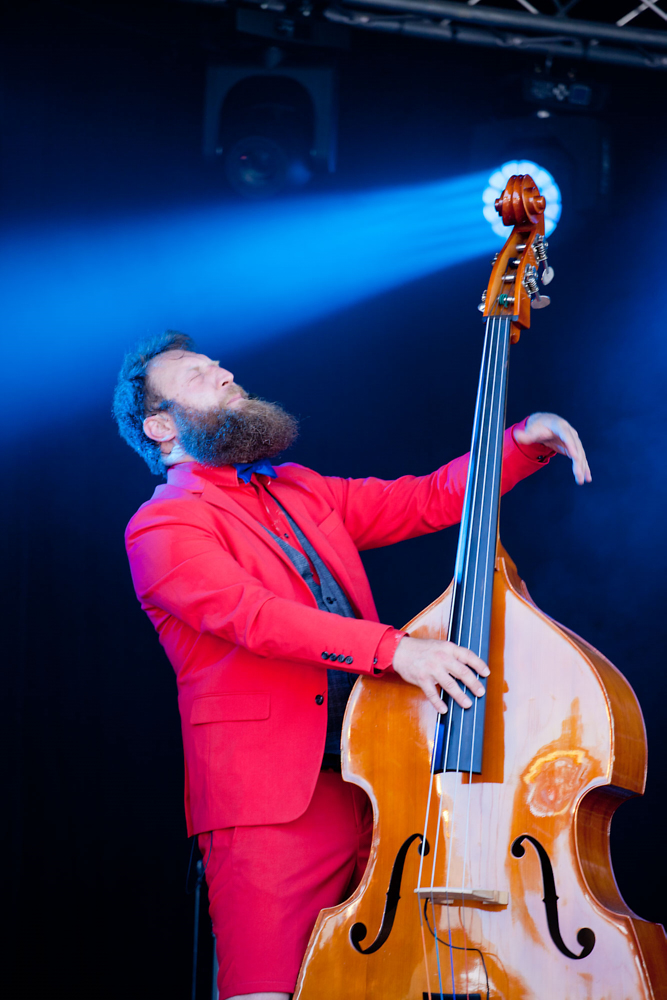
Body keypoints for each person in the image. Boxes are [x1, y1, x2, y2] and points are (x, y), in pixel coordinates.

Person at [113, 329, 591, 1000]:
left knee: (390, 978)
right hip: (272, 805)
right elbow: (253, 617)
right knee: (266, 989)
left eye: (219, 364)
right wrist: (395, 650)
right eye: (196, 374)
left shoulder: (298, 489)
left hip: (381, 782)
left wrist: (517, 444)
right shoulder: (161, 525)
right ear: (160, 426)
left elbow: (424, 498)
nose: (223, 373)